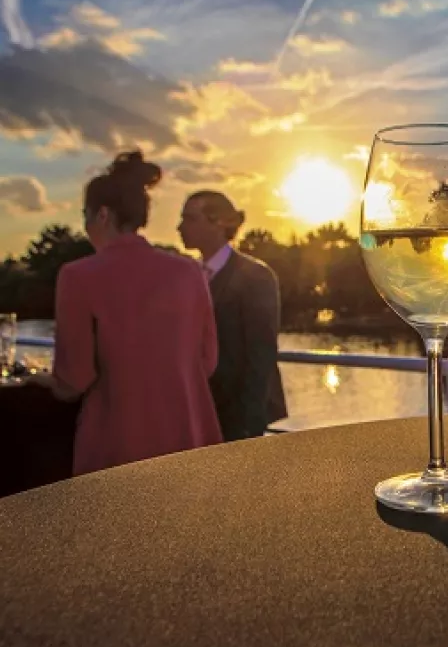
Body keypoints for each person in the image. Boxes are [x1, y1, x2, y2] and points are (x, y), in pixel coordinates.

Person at [36, 151, 223, 475]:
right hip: (186, 440)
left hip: (117, 445)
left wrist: (40, 380)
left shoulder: (77, 276)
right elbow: (207, 361)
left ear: (102, 215)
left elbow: (73, 379)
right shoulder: (189, 272)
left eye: (85, 215)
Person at [177, 190, 287, 441]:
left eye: (190, 218)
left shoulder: (256, 276)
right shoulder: (189, 275)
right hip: (199, 410)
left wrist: (249, 425)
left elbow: (261, 353)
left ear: (219, 223)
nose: (179, 227)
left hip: (235, 416)